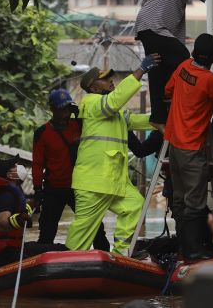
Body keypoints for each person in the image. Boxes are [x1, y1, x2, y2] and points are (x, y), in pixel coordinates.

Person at [65, 54, 160, 255]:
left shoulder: (113, 112)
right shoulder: (91, 103)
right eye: (105, 79)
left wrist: (163, 117)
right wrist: (139, 71)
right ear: (93, 87)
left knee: (135, 206)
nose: (111, 81)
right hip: (93, 183)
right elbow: (114, 102)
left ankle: (122, 253)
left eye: (111, 78)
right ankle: (67, 264)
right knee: (82, 233)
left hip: (113, 181)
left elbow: (137, 119)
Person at [164, 33, 213, 261]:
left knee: (179, 199)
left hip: (174, 145)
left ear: (194, 52)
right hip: (191, 148)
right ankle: (193, 251)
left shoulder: (183, 67)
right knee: (195, 203)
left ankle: (182, 247)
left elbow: (168, 91)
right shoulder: (209, 80)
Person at [135, 0, 213, 132]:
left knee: (157, 67)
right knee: (181, 57)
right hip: (151, 24)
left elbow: (177, 25)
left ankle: (158, 117)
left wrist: (178, 43)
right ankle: (180, 99)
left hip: (155, 28)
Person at [32, 89, 111, 251]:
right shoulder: (42, 133)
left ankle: (104, 257)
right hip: (54, 188)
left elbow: (96, 130)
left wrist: (80, 117)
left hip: (79, 187)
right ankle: (43, 262)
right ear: (53, 109)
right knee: (47, 230)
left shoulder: (78, 126)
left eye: (68, 108)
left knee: (95, 227)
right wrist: (37, 189)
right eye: (62, 109)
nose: (65, 113)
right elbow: (37, 164)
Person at [0, 155, 67, 270]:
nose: (18, 167)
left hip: (9, 250)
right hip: (3, 254)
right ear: (9, 175)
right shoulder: (5, 195)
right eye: (14, 166)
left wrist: (32, 206)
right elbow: (2, 223)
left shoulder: (10, 191)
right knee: (61, 250)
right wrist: (19, 219)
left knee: (45, 247)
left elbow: (19, 212)